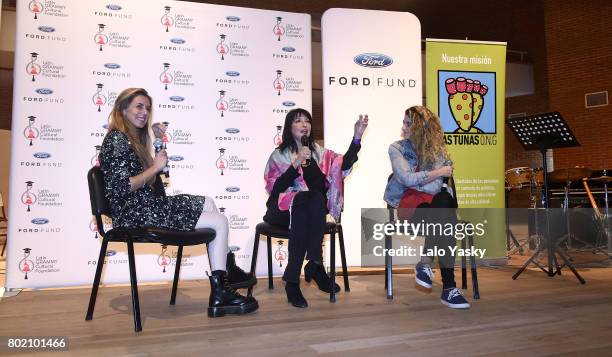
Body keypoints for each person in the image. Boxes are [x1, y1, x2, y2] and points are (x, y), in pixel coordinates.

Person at [98, 88, 258, 317]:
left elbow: (156, 180)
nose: (144, 112)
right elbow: (120, 188)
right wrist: (154, 167)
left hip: (148, 206)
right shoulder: (116, 139)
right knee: (219, 221)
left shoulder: (132, 140)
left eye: (147, 108)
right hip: (134, 213)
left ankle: (225, 274)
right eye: (139, 106)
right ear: (123, 109)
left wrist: (158, 142)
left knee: (208, 202)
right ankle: (221, 290)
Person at [263, 108, 368, 308]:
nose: (304, 125)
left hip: (309, 211)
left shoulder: (320, 154)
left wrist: (357, 137)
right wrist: (296, 163)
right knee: (307, 201)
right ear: (289, 127)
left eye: (307, 121)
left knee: (314, 199)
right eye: (298, 121)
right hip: (282, 211)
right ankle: (315, 264)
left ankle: (293, 279)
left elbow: (341, 166)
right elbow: (275, 190)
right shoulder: (278, 155)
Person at [383, 105, 470, 309]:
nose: (403, 126)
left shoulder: (438, 150)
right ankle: (447, 286)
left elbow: (433, 188)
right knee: (444, 214)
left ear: (421, 127)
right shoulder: (396, 148)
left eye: (408, 123)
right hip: (411, 207)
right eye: (404, 122)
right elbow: (405, 179)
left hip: (435, 208)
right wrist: (438, 172)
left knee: (443, 204)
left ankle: (428, 266)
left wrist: (424, 178)